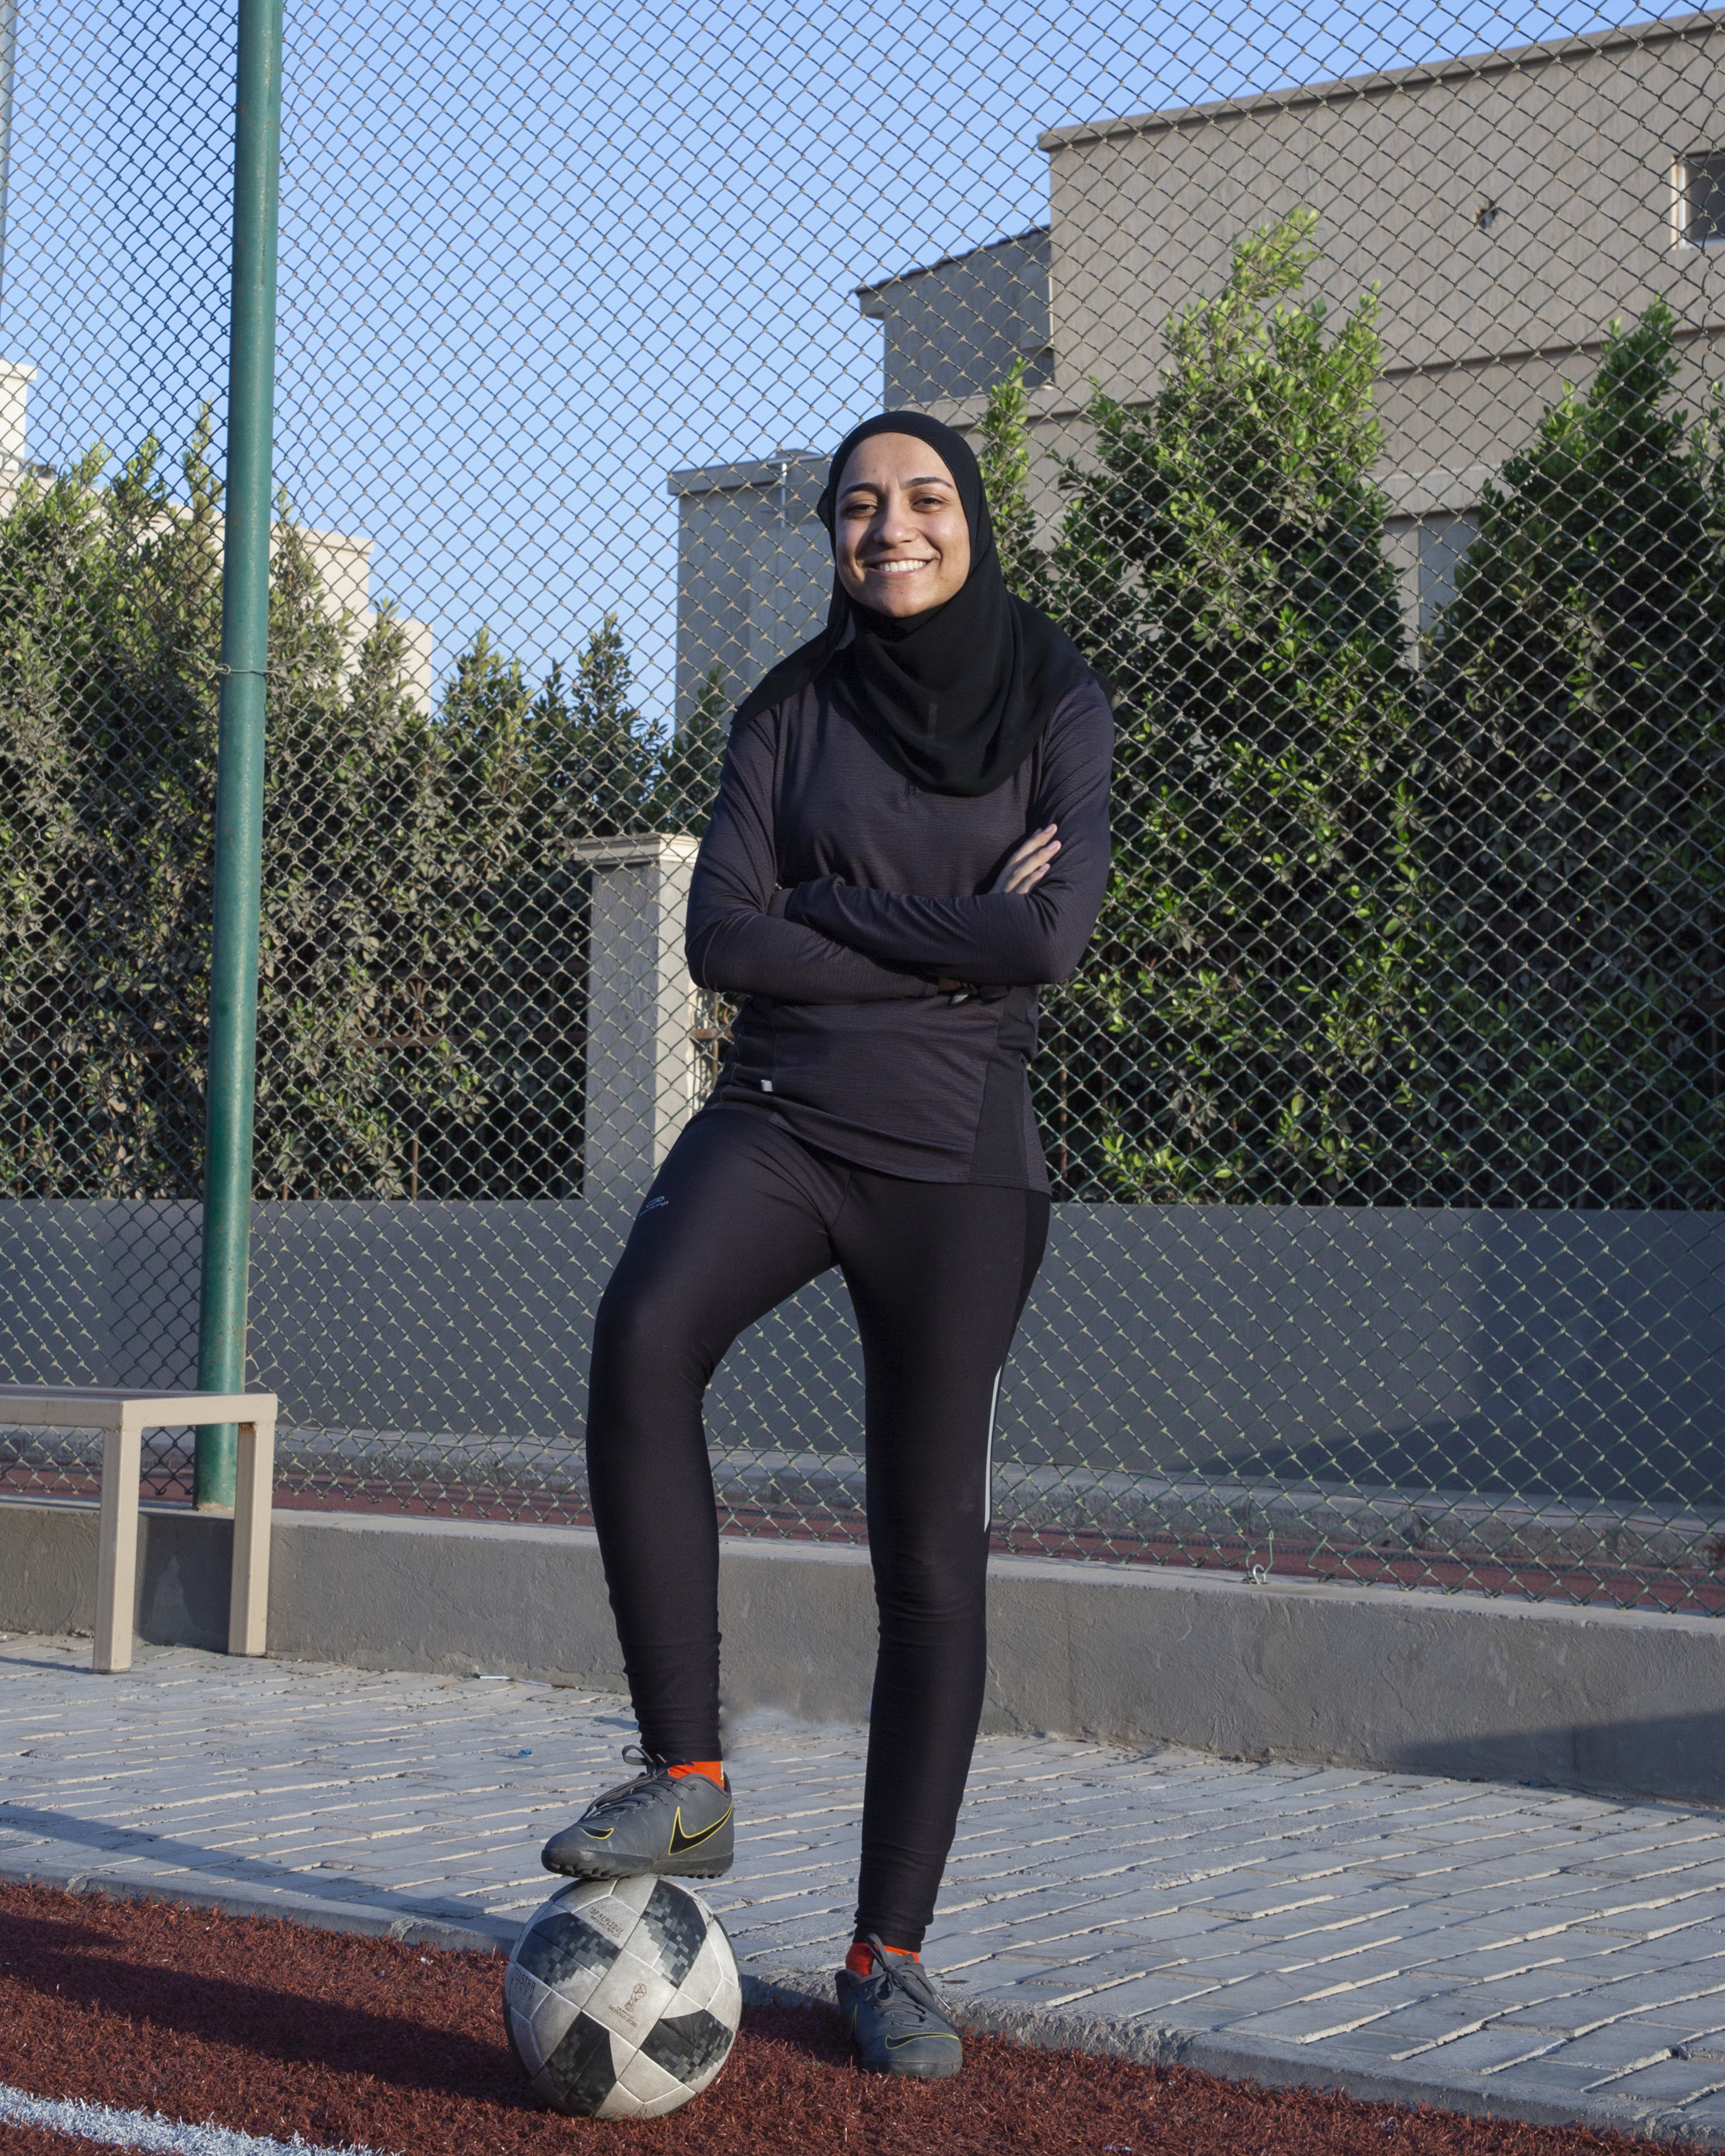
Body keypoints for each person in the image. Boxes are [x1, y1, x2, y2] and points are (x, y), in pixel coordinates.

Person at [541, 410, 1113, 2080]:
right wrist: (944, 945)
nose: (892, 528)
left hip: (960, 1162)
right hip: (779, 1119)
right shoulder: (788, 709)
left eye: (924, 499)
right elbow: (723, 938)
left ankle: (888, 1954)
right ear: (832, 537)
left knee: (928, 1556)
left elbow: (1051, 937)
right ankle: (689, 1779)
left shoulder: (1055, 695)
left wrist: (833, 914)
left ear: (972, 518)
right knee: (642, 1335)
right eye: (860, 507)